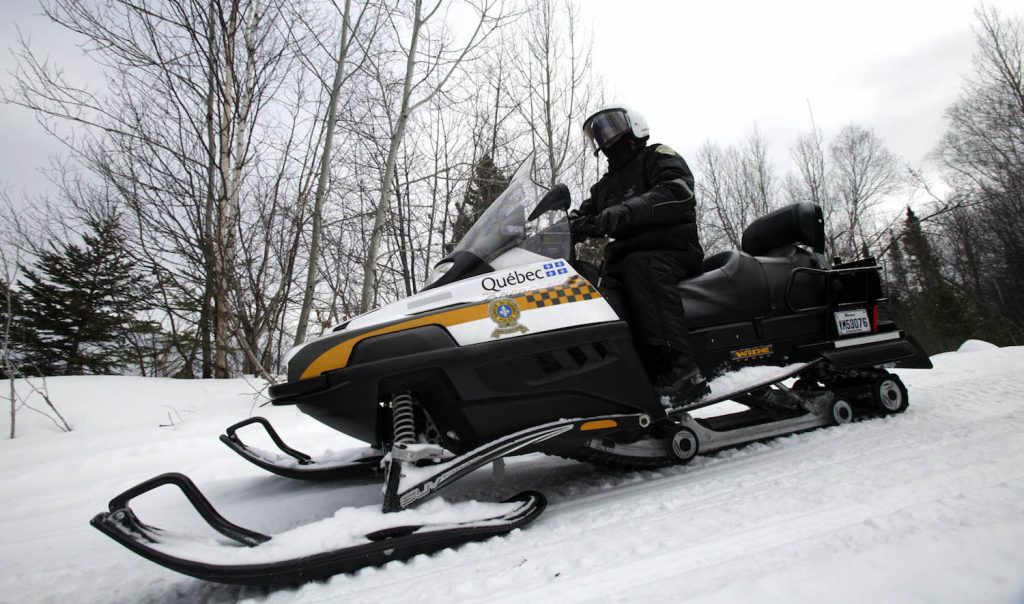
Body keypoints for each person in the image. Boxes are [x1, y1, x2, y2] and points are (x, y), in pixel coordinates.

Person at [570, 104, 708, 403]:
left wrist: (627, 210)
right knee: (596, 286)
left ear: (633, 124)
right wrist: (562, 225)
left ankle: (681, 370)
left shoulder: (657, 157)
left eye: (609, 128)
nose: (605, 137)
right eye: (598, 134)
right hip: (625, 262)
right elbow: (583, 214)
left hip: (672, 250)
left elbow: (678, 190)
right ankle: (627, 376)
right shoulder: (605, 186)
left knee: (640, 265)